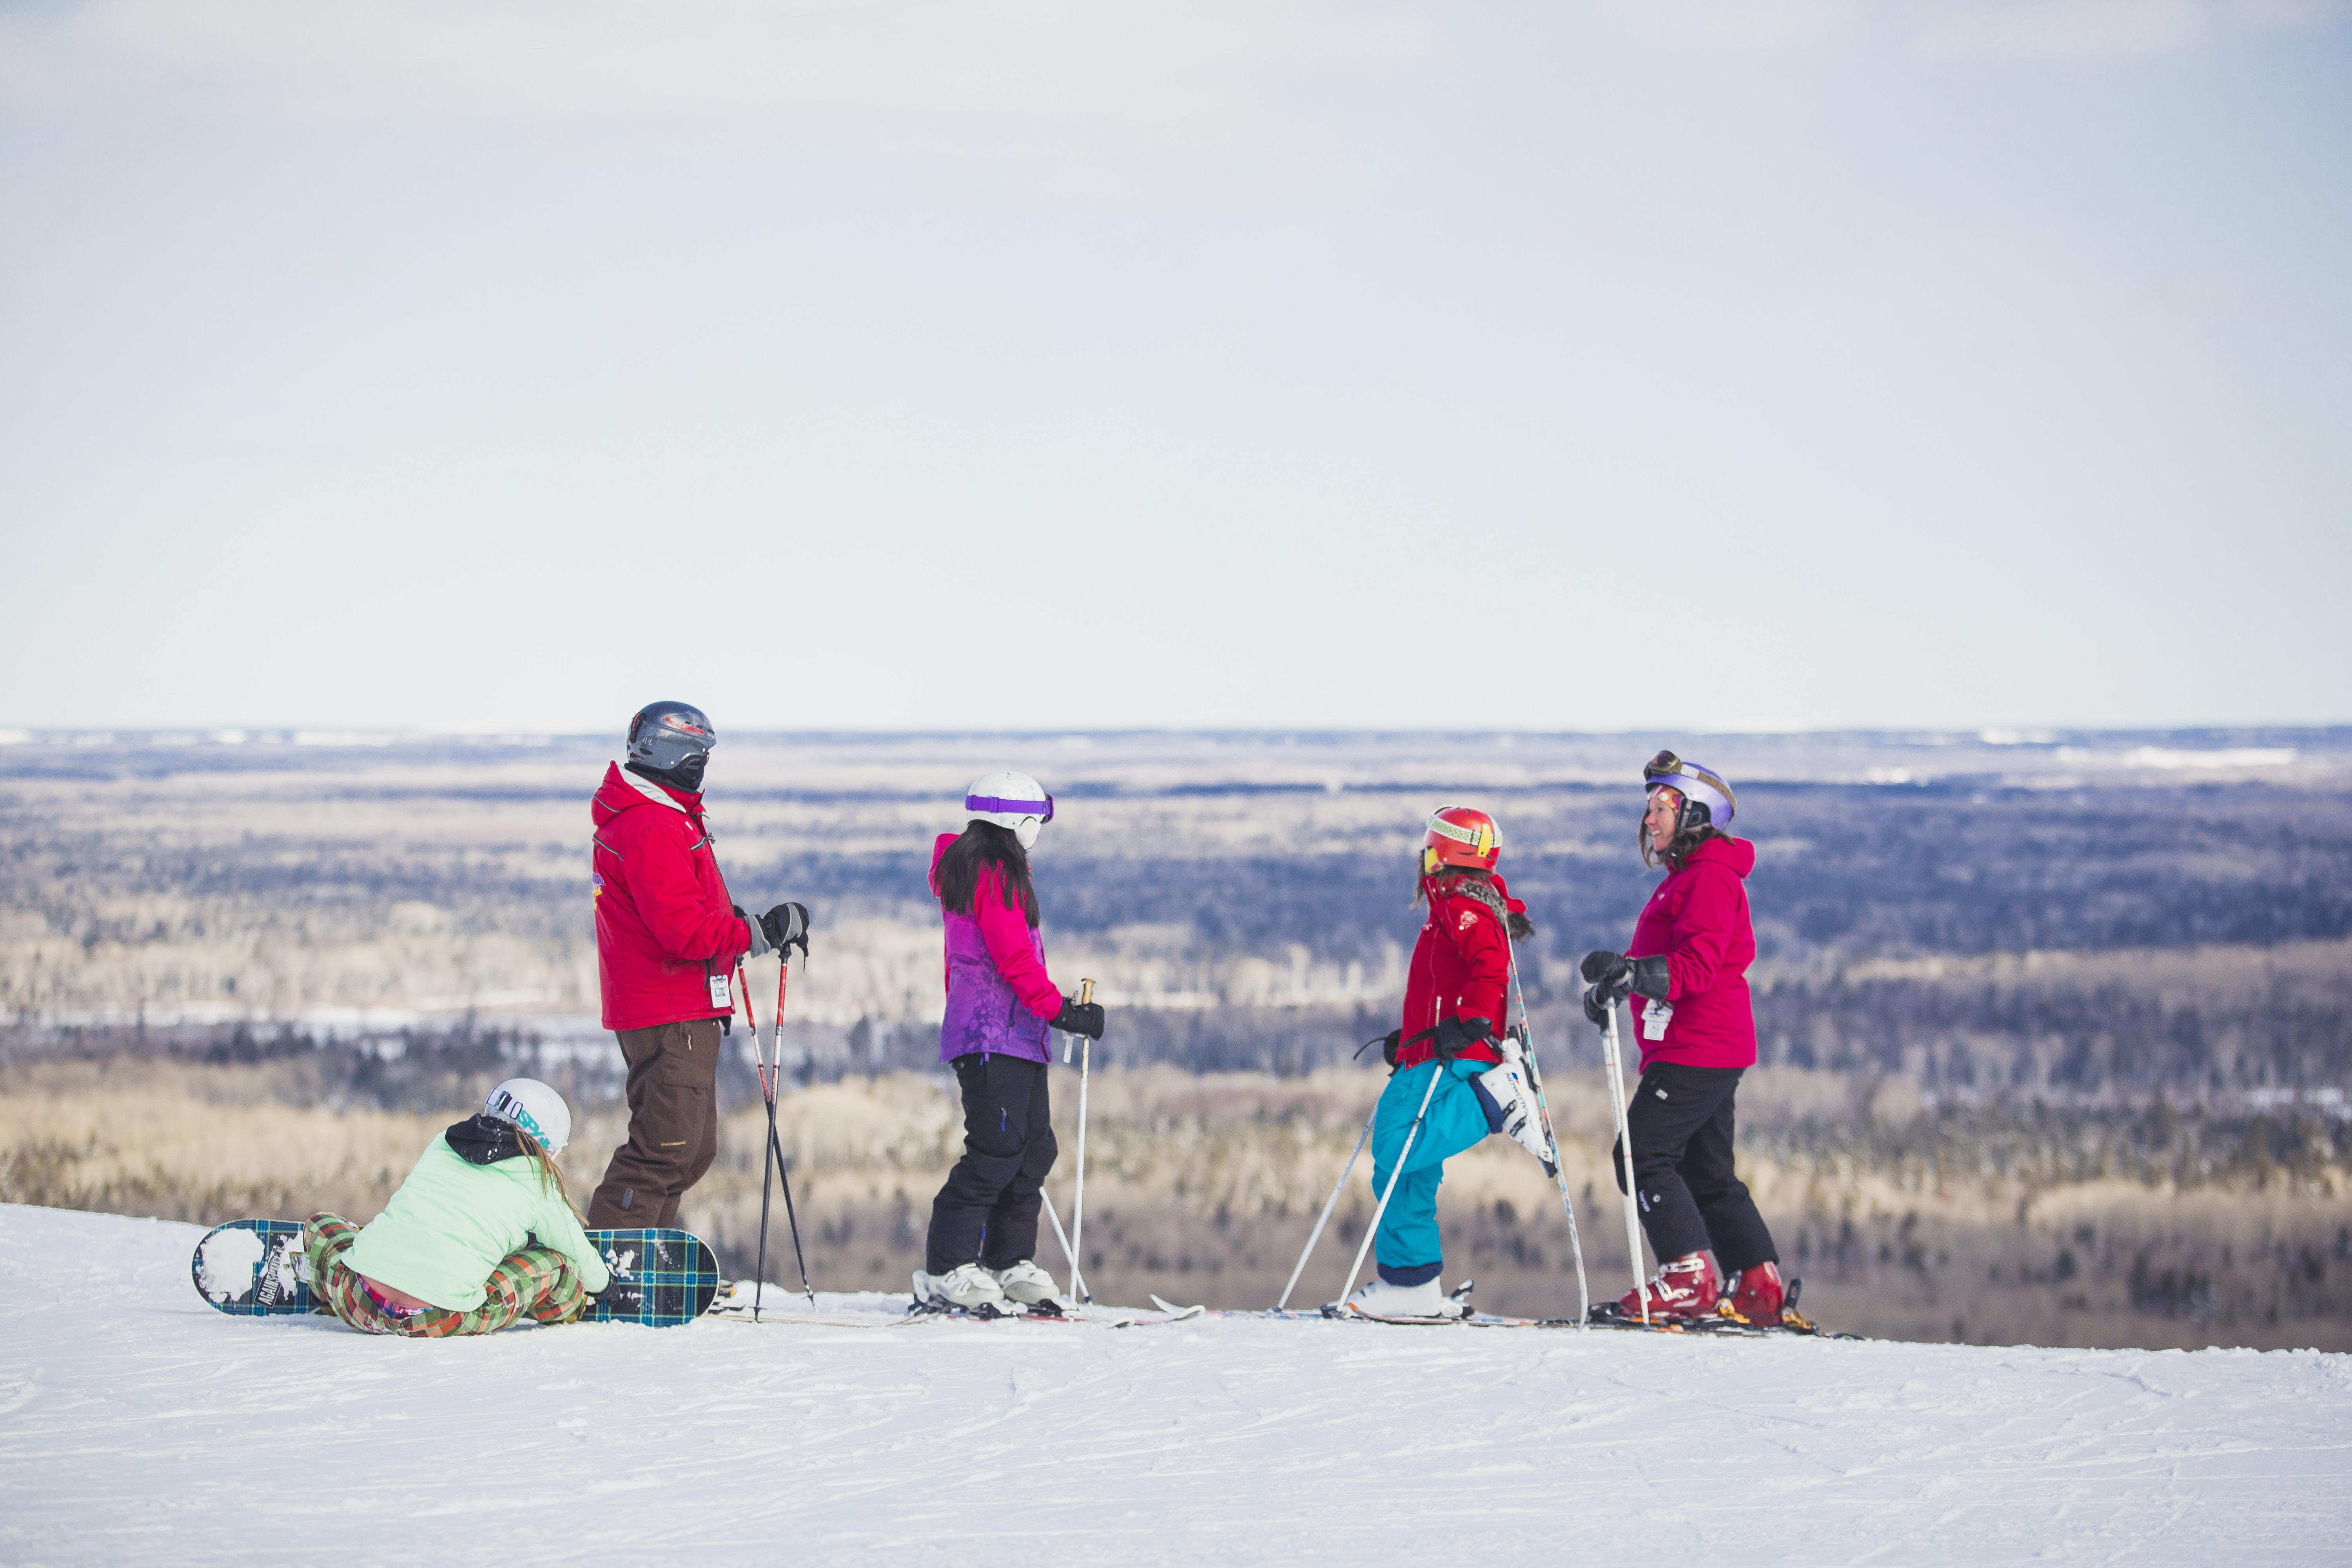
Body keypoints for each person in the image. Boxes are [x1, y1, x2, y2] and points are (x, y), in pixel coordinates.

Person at [584, 701, 809, 1230]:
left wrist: (732, 922)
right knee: (665, 1149)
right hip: (670, 1011)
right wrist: (756, 933)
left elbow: (681, 911)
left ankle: (640, 1259)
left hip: (677, 1007)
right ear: (671, 753)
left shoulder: (665, 816)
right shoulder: (652, 825)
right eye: (697, 755)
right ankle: (611, 1267)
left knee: (690, 1149)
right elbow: (682, 933)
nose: (702, 766)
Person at [1582, 750, 1784, 1324]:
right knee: (1706, 1171)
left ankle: (1687, 1276)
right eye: (1649, 807)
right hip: (1703, 1045)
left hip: (1698, 1047)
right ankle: (1756, 1283)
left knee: (1640, 1153)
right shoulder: (1691, 878)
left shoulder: (1710, 879)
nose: (1650, 819)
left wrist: (1633, 974)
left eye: (1664, 806)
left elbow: (1695, 966)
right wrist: (1619, 984)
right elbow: (1670, 961)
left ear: (1696, 814)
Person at [1340, 806, 1552, 1319]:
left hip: (1453, 1056)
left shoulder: (1464, 908)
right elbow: (1445, 986)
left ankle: (1492, 1103)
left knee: (1395, 1146)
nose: (1424, 857)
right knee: (1409, 1175)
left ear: (1441, 852)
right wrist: (1409, 1040)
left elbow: (1490, 966)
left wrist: (1474, 1021)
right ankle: (1411, 1287)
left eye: (1428, 847)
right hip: (1432, 1049)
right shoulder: (1455, 906)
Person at [921, 770, 1105, 1312]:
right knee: (996, 1150)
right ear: (1018, 822)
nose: (1039, 830)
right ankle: (948, 1268)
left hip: (1013, 1034)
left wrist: (1052, 1016)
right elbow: (1014, 959)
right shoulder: (991, 873)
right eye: (1037, 820)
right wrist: (1063, 1012)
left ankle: (1006, 1261)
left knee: (1031, 1148)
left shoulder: (988, 867)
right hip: (992, 1033)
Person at [302, 1079, 611, 1336]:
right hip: (440, 1316)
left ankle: (317, 1276)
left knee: (320, 1224)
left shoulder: (445, 1141)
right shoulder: (538, 1181)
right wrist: (605, 1285)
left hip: (357, 1298)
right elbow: (573, 1247)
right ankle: (564, 1311)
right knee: (559, 1266)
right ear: (543, 1145)